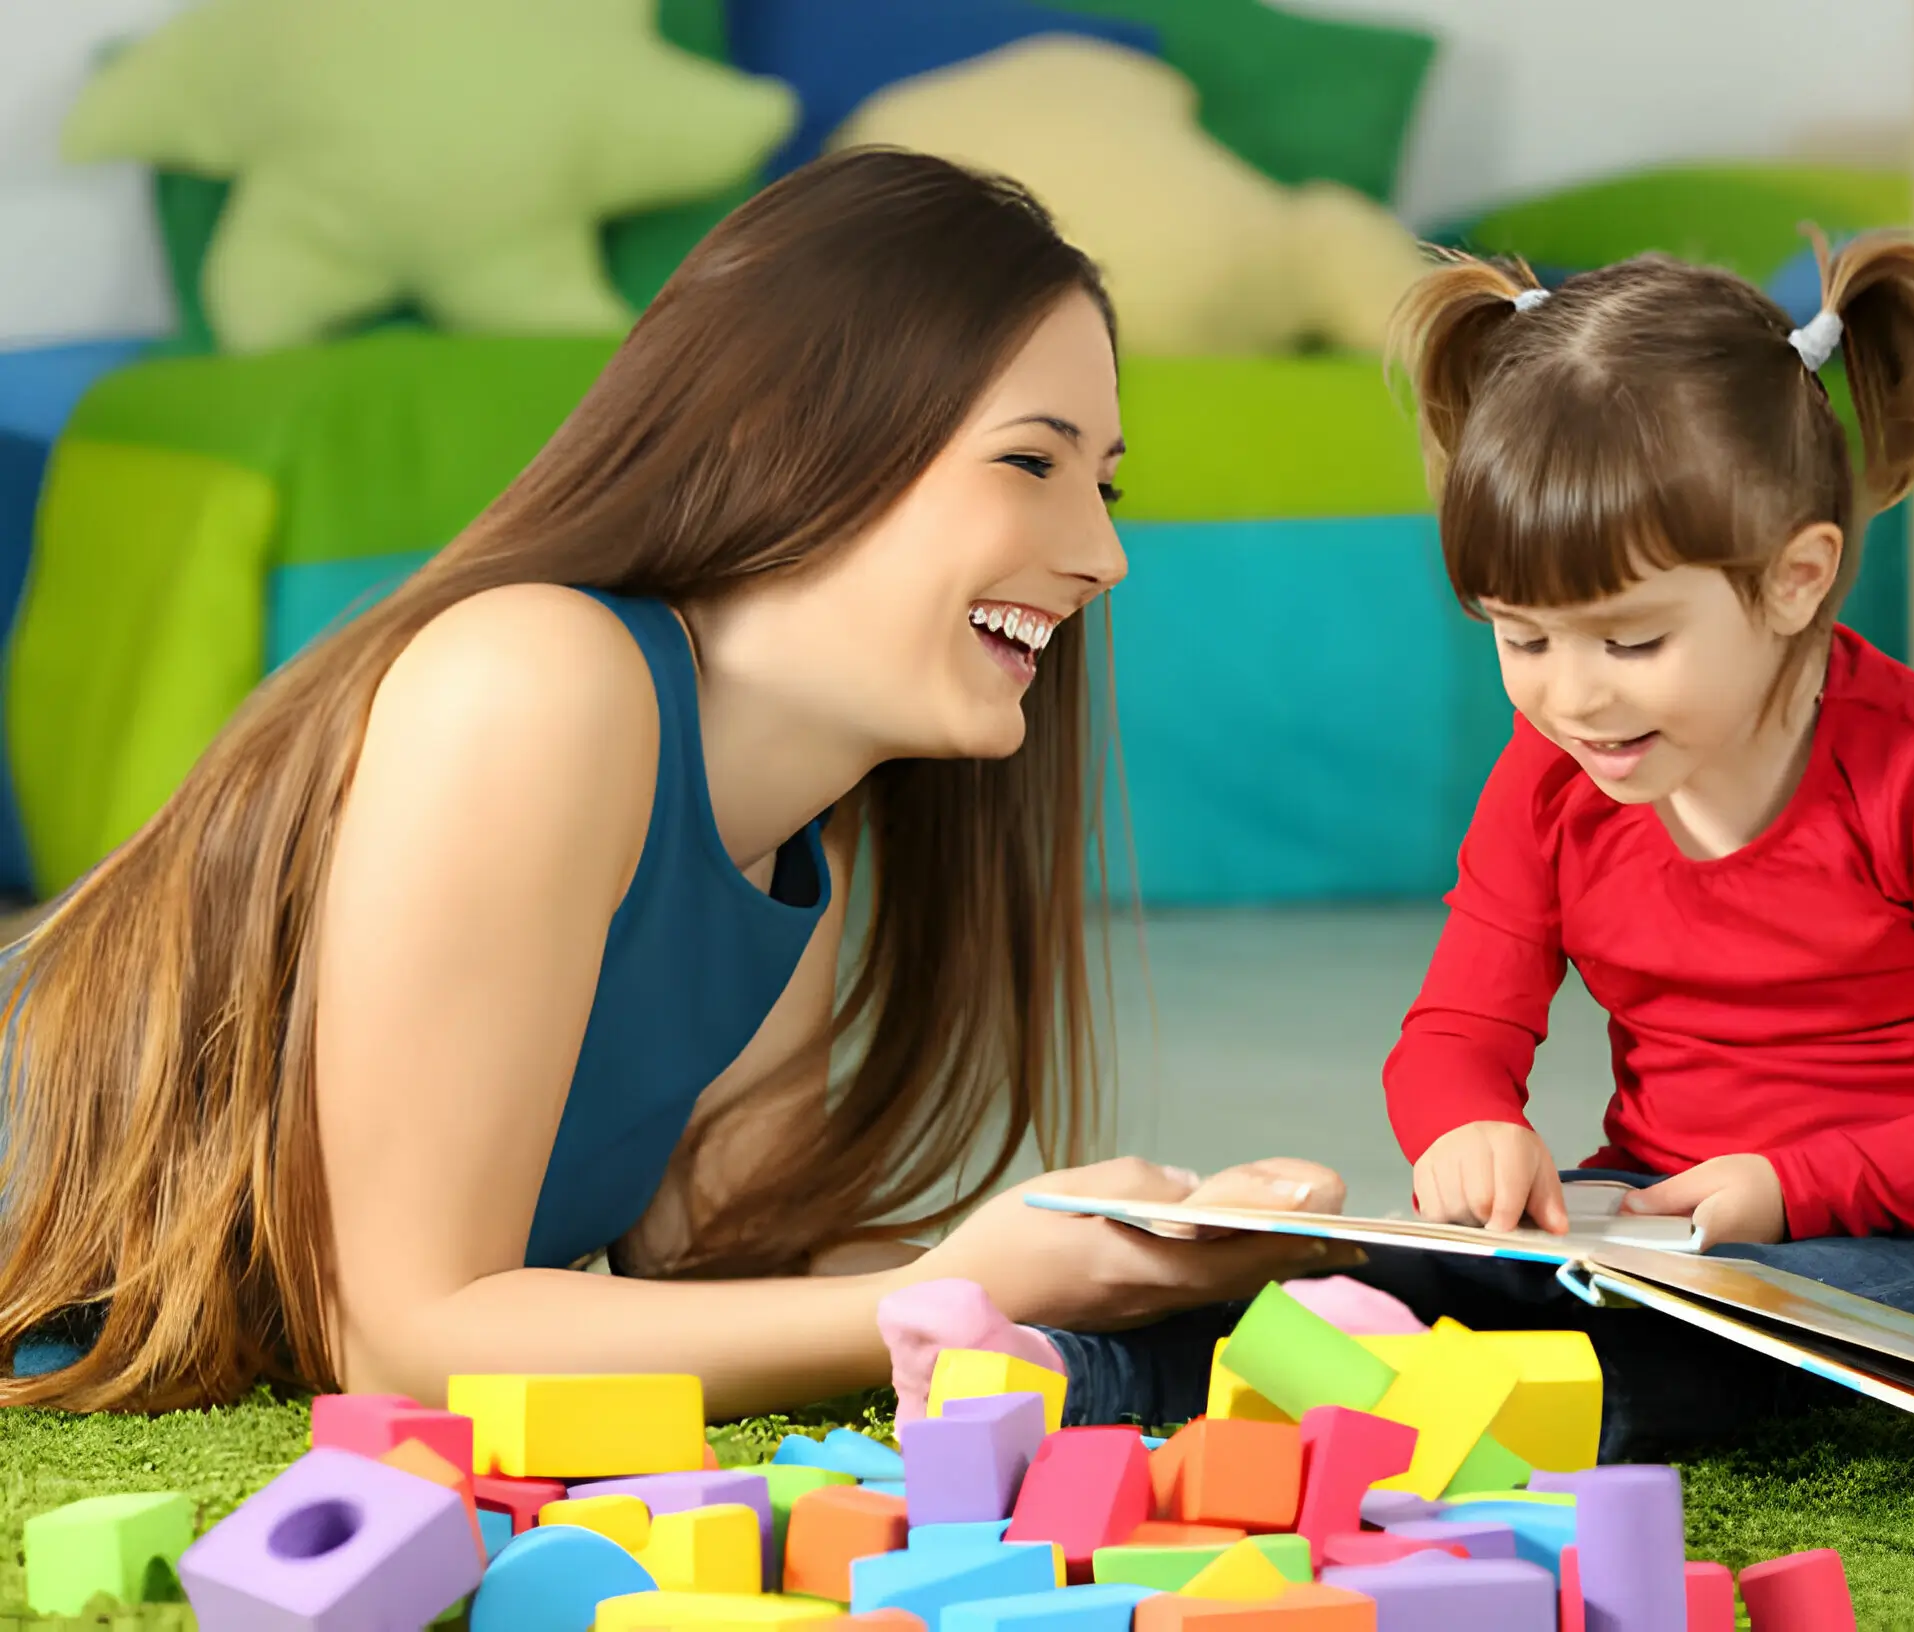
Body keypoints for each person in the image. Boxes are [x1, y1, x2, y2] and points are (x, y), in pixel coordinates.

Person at [0, 148, 1354, 1415]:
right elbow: (405, 1342)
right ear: (781, 435)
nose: (1102, 556)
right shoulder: (532, 678)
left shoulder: (786, 844)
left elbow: (728, 1265)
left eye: (1104, 485)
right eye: (1030, 462)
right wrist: (948, 1292)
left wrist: (1119, 1254)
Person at [1000, 234, 1914, 1462]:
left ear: (1798, 578)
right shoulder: (1548, 784)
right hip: (1646, 1219)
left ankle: (1447, 1411)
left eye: (1631, 643)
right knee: (1368, 1277)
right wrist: (1464, 1128)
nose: (1574, 699)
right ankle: (1081, 1373)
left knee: (1712, 1346)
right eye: (1521, 639)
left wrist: (1794, 1193)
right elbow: (1455, 1034)